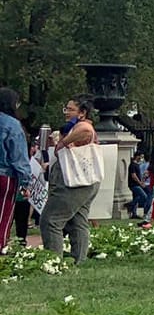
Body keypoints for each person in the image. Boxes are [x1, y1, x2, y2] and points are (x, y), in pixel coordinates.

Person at [40, 96, 102, 263]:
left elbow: (86, 131)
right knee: (78, 221)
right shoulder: (76, 126)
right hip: (88, 182)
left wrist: (63, 142)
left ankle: (53, 261)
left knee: (51, 220)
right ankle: (78, 260)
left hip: (74, 183)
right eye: (66, 109)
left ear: (82, 113)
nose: (66, 112)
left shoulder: (82, 125)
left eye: (70, 109)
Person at [0, 87, 32, 253]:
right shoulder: (12, 124)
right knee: (4, 215)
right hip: (4, 175)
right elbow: (19, 157)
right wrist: (25, 183)